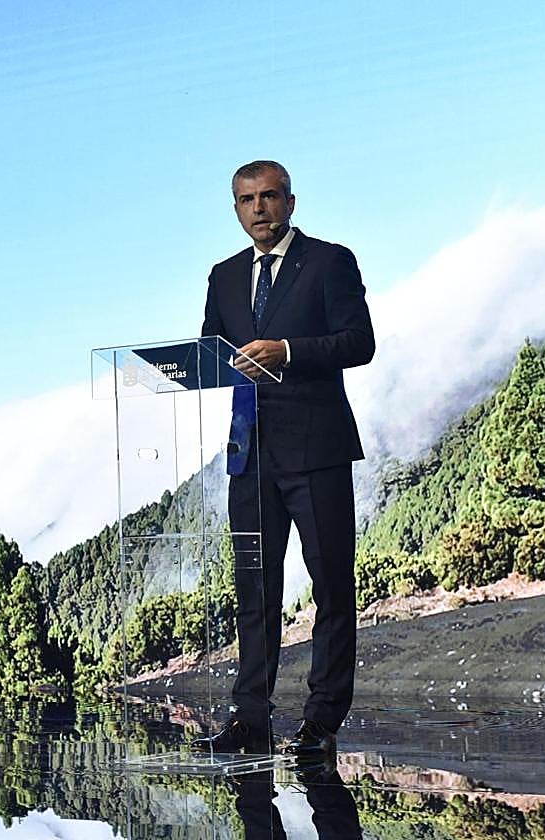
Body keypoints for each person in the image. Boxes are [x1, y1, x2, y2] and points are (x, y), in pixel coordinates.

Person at [192, 160, 374, 759]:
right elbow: (207, 354)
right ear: (236, 209)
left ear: (290, 202)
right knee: (255, 591)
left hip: (316, 451)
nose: (259, 209)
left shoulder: (329, 261)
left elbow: (359, 343)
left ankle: (322, 720)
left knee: (331, 587)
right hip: (250, 455)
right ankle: (250, 718)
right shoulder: (221, 278)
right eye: (247, 200)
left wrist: (289, 350)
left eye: (270, 197)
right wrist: (188, 366)